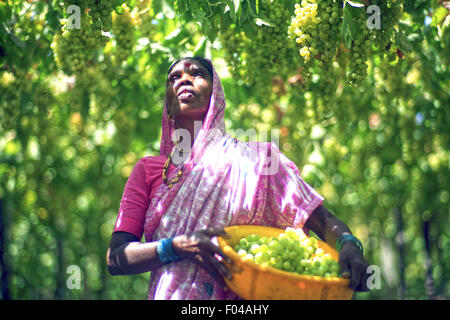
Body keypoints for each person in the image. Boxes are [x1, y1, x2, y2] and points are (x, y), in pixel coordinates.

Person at [106, 57, 369, 299]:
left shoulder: (260, 161)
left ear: (216, 94)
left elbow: (323, 220)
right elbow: (116, 258)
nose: (183, 79)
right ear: (167, 102)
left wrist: (348, 244)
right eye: (173, 78)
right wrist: (175, 246)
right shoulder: (149, 170)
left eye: (197, 73)